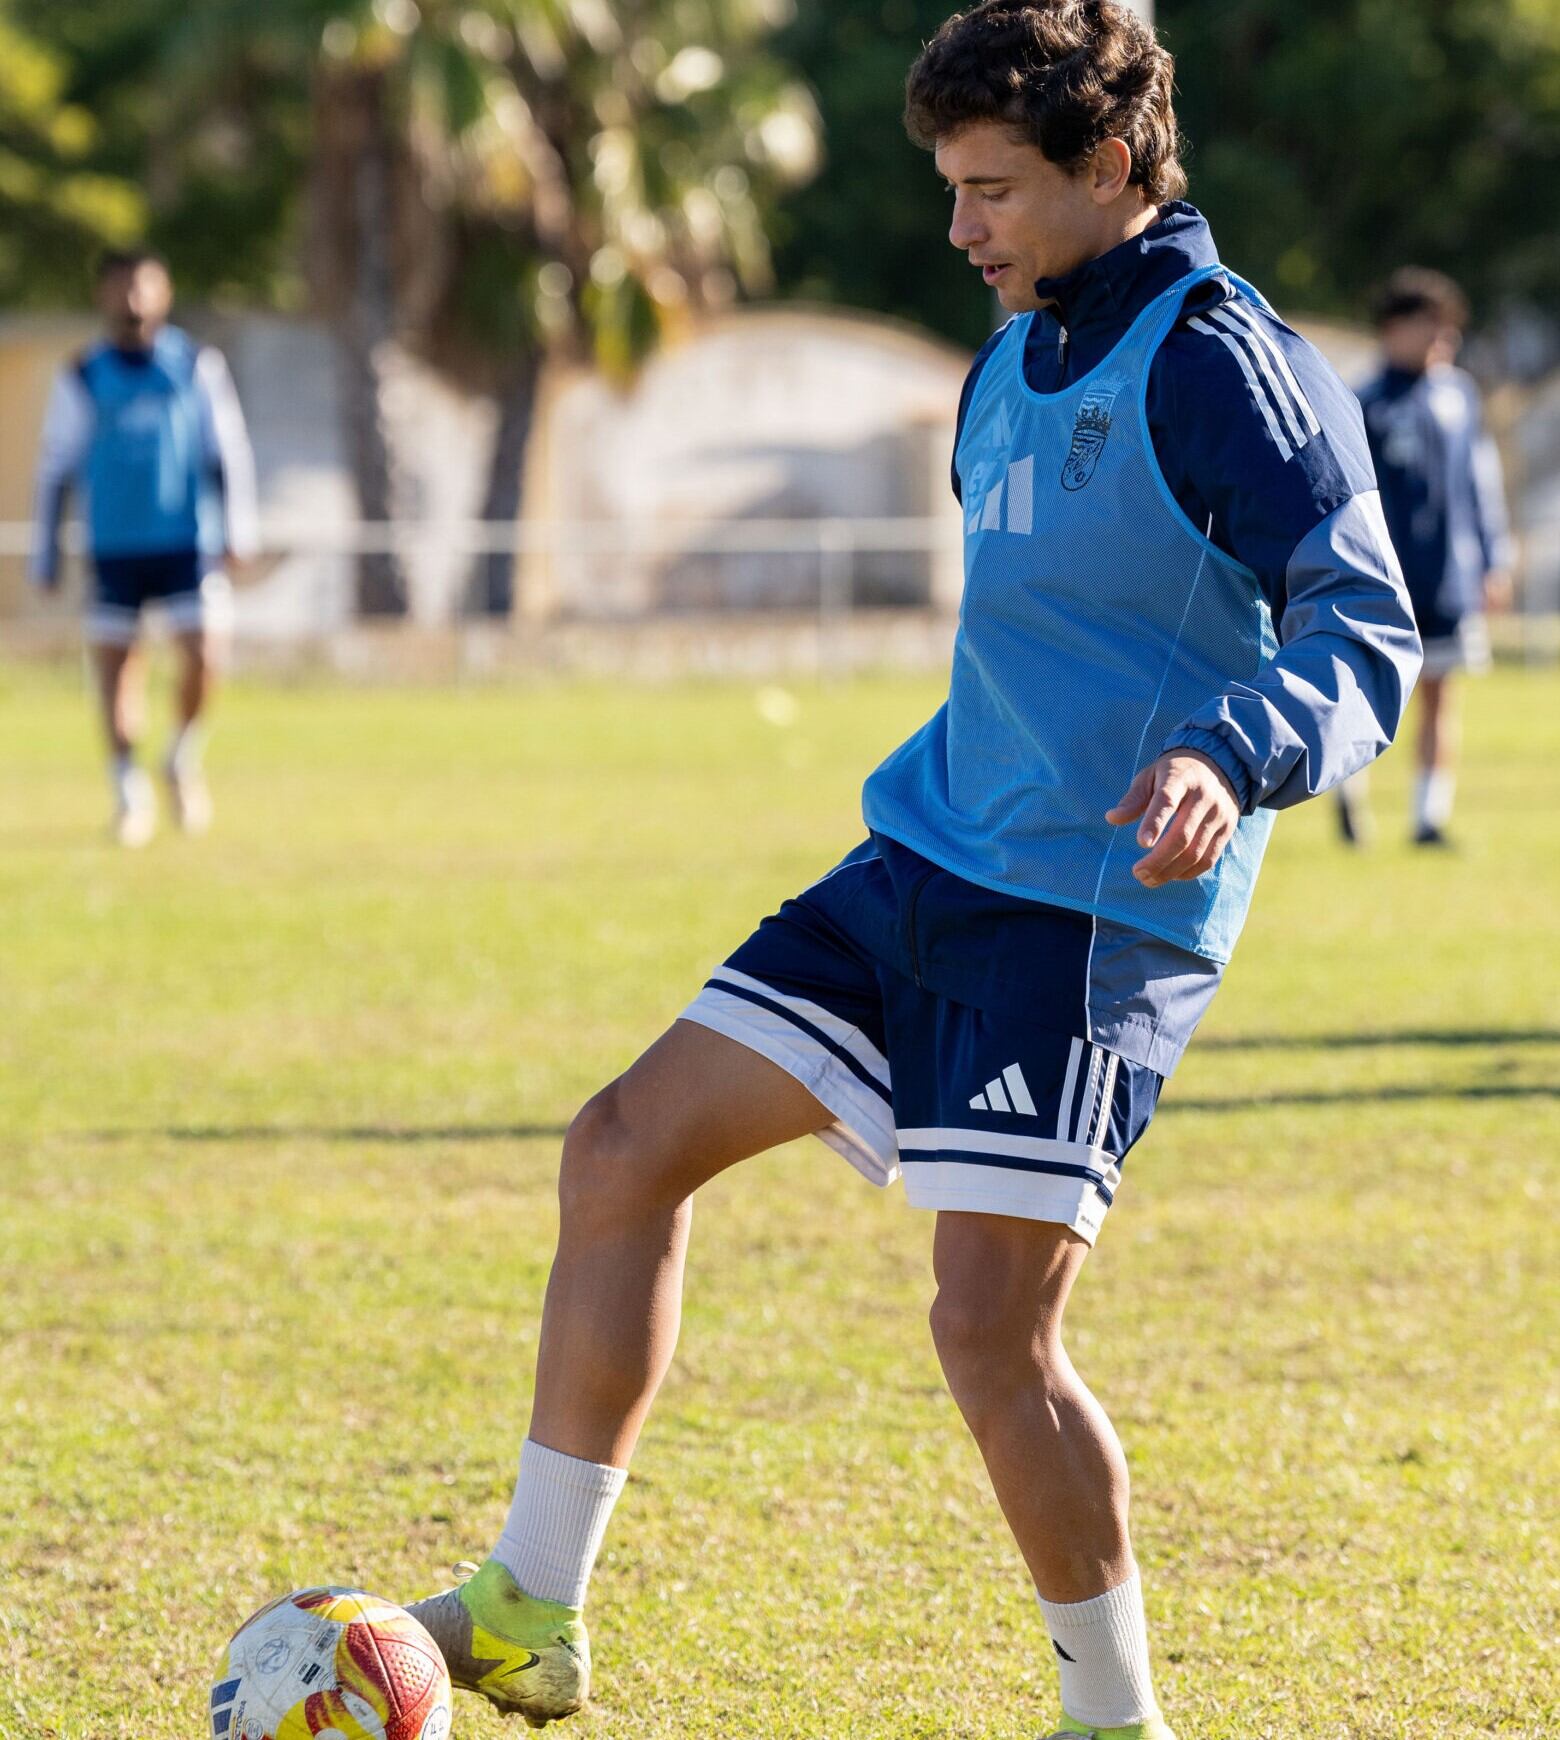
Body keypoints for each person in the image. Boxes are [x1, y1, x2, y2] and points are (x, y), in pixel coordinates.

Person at [404, 5, 1420, 1737]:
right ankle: (528, 1609)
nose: (960, 231)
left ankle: (1116, 1723)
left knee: (988, 1335)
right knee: (622, 1149)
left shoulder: (1215, 356)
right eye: (950, 188)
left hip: (1089, 924)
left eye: (994, 190)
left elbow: (1366, 624)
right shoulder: (1008, 353)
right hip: (925, 860)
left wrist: (1228, 755)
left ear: (1111, 168)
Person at [29, 248, 259, 845]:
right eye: (121, 288)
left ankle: (181, 756)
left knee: (206, 654)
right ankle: (127, 789)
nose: (133, 301)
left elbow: (225, 449)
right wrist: (47, 553)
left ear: (165, 293)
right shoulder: (83, 373)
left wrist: (240, 529)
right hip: (114, 544)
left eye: (144, 288)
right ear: (103, 294)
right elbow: (57, 466)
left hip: (186, 541)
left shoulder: (194, 365)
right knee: (115, 668)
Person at [1344, 268, 1514, 847]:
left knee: (1442, 694)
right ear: (1394, 329)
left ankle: (1428, 818)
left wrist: (1494, 558)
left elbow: (1479, 486)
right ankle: (1349, 799)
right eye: (1430, 330)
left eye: (1448, 333)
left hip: (1448, 576)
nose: (1442, 343)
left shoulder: (1457, 397)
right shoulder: (1361, 403)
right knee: (1363, 693)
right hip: (1384, 576)